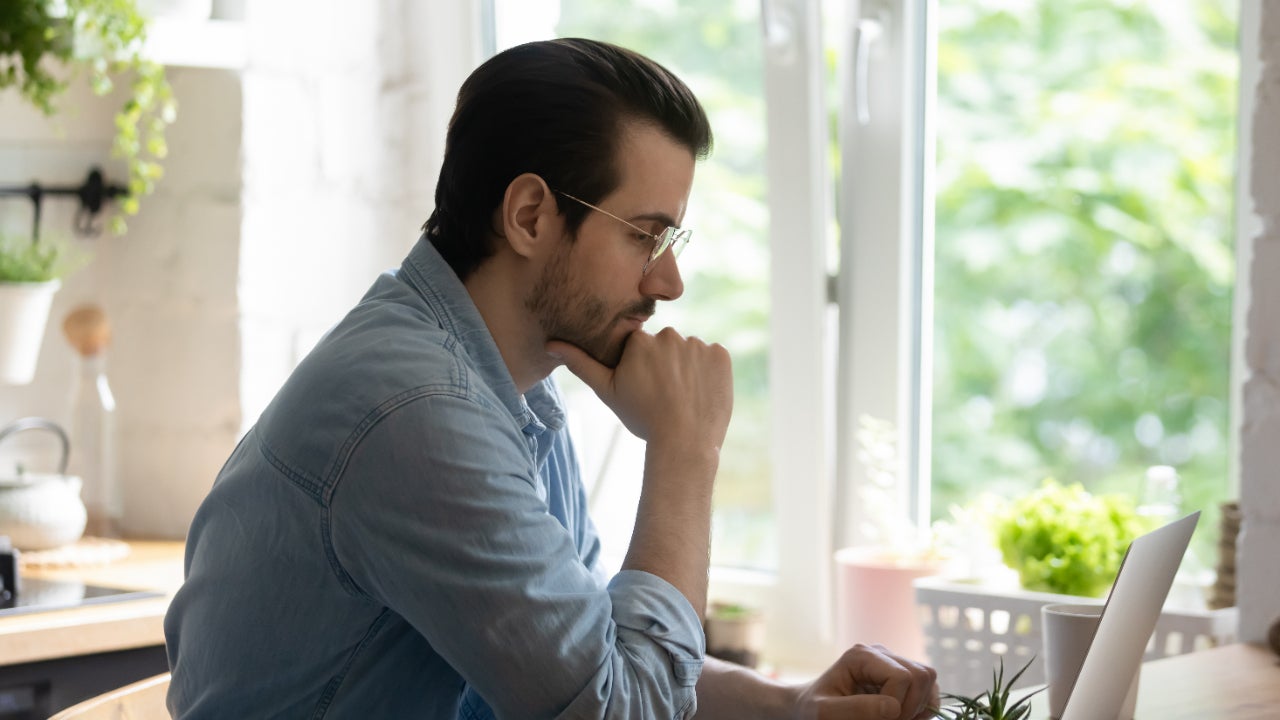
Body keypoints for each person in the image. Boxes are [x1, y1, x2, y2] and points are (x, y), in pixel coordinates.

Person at [163, 37, 939, 719]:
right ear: (530, 215)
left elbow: (597, 654)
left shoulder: (512, 382)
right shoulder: (419, 411)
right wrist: (686, 452)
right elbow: (614, 712)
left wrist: (789, 705)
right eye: (646, 235)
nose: (669, 282)